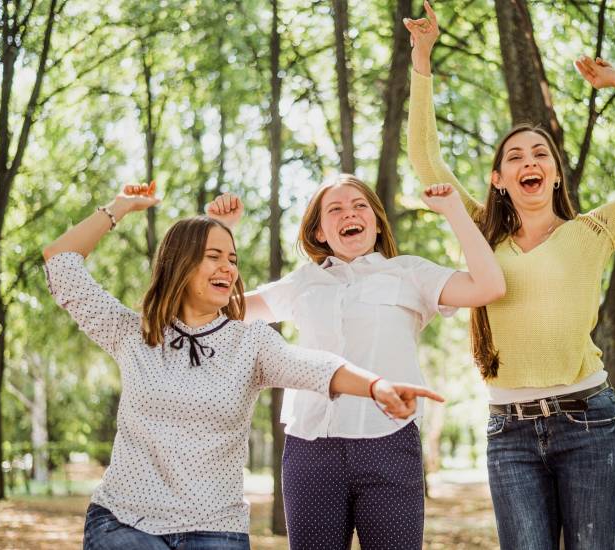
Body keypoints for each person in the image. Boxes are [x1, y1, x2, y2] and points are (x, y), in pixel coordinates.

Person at [404, 2, 615, 549]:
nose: (530, 161)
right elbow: (426, 160)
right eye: (516, 156)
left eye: (540, 153)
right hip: (509, 432)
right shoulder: (482, 233)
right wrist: (421, 59)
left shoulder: (595, 230)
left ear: (554, 173)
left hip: (590, 425)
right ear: (499, 179)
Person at [43, 182, 444, 550]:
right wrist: (120, 206)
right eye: (213, 257)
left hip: (216, 529)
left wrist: (375, 386)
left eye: (232, 259)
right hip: (126, 522)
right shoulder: (133, 333)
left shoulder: (250, 342)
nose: (229, 268)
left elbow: (315, 367)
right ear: (178, 265)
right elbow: (60, 262)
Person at [206, 173, 505, 549]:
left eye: (359, 205)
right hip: (310, 448)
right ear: (319, 232)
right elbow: (221, 309)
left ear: (377, 223)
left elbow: (489, 286)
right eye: (335, 209)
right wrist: (221, 232)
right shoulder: (302, 282)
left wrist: (453, 211)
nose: (349, 213)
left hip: (389, 444)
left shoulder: (410, 273)